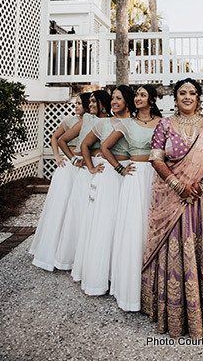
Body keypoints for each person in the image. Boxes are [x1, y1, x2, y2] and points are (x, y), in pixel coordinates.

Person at [141, 78, 203, 339]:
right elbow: (155, 157)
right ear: (175, 97)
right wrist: (176, 184)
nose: (187, 97)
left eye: (192, 93)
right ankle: (173, 313)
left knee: (202, 249)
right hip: (172, 197)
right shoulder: (164, 124)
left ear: (198, 97)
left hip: (202, 197)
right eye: (182, 92)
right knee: (174, 249)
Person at [101, 85, 162, 312]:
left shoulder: (162, 123)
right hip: (135, 177)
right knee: (134, 228)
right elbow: (106, 148)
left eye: (143, 95)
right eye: (136, 94)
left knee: (153, 227)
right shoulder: (126, 124)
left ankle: (154, 286)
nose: (137, 98)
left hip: (157, 176)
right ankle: (130, 290)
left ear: (153, 99)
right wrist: (120, 169)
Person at [71, 85, 136, 295]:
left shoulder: (134, 123)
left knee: (125, 224)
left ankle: (121, 273)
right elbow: (85, 146)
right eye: (113, 98)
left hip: (130, 174)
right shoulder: (102, 122)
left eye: (119, 98)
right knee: (105, 222)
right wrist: (90, 167)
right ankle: (101, 275)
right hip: (109, 175)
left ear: (128, 101)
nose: (115, 101)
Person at [29, 93, 90, 271]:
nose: (76, 106)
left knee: (78, 207)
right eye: (76, 103)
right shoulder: (69, 121)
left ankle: (72, 249)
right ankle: (52, 249)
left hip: (83, 166)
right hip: (69, 166)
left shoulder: (92, 122)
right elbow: (55, 138)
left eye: (80, 103)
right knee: (61, 206)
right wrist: (57, 156)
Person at [54, 90, 111, 271]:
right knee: (79, 212)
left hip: (104, 169)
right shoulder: (86, 119)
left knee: (98, 214)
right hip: (86, 169)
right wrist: (73, 160)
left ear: (103, 102)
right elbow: (63, 140)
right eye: (90, 101)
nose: (91, 104)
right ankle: (72, 258)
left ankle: (92, 257)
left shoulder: (111, 120)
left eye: (95, 101)